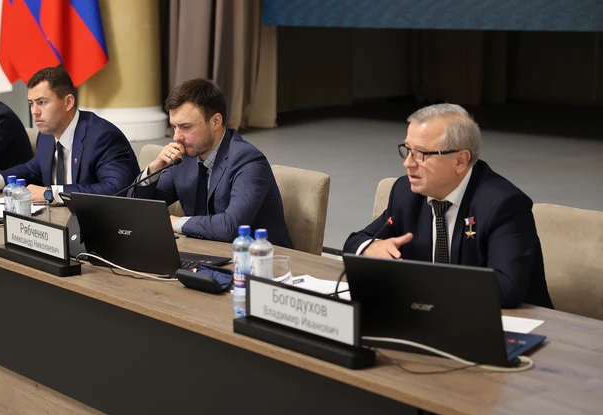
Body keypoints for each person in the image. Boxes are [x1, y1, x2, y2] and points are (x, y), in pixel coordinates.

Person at [343, 103, 553, 309]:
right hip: (433, 314)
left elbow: (506, 288)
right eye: (407, 150)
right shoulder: (405, 193)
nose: (408, 163)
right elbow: (355, 242)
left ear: (460, 160)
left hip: (515, 323)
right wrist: (371, 247)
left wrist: (419, 281)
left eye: (421, 154)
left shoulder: (503, 205)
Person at [130, 78, 292, 247]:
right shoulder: (184, 157)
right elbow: (137, 209)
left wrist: (176, 223)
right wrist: (154, 168)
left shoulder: (248, 161)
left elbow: (231, 227)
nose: (177, 137)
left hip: (259, 258)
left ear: (215, 121)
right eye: (174, 127)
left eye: (186, 127)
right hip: (205, 253)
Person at [0, 65, 139, 202]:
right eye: (31, 104)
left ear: (68, 102)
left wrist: (50, 193)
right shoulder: (46, 136)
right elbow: (32, 170)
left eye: (42, 102)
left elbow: (117, 189)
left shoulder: (103, 137)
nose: (34, 111)